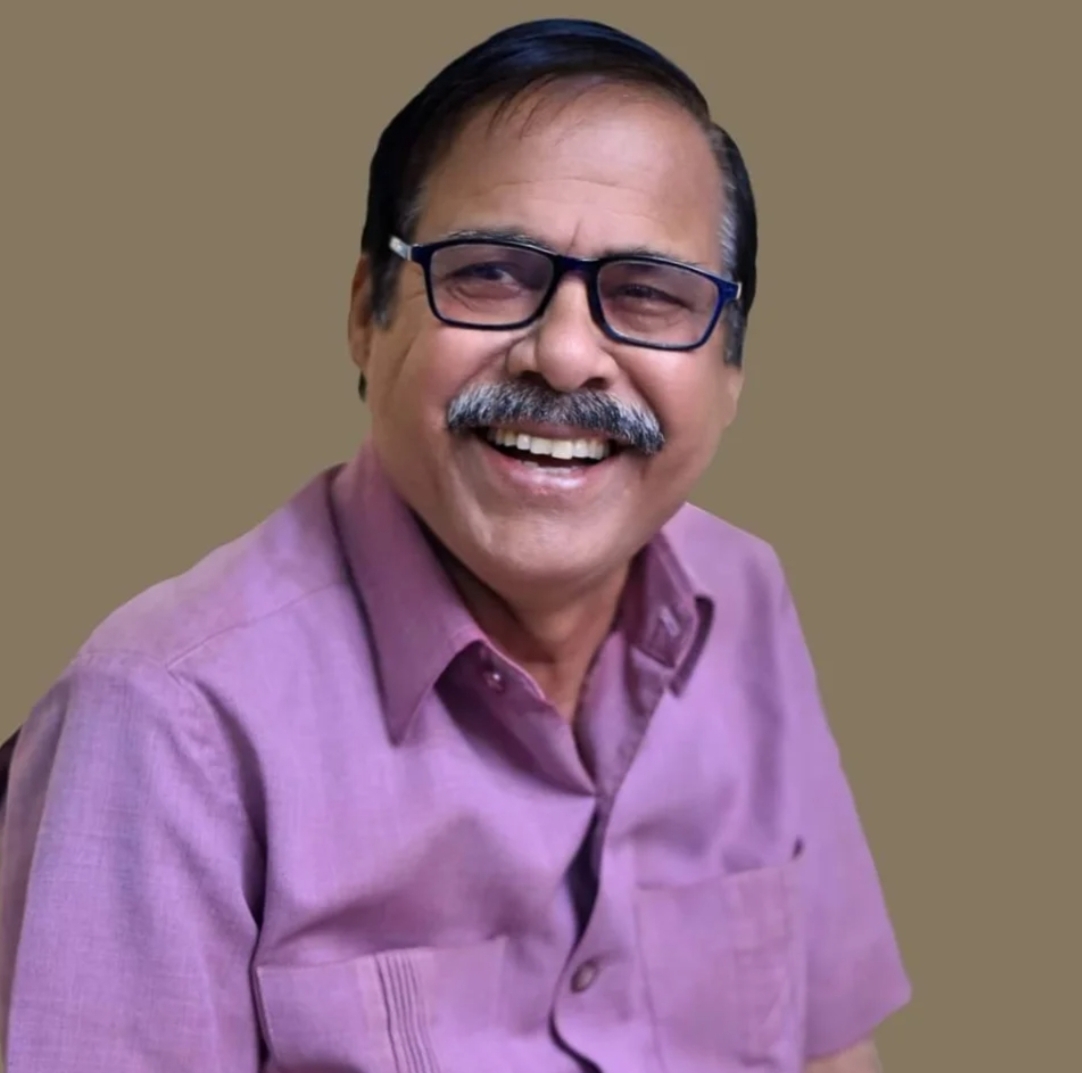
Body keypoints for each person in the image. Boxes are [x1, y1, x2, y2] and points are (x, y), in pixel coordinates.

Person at [0, 18, 910, 1073]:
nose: (564, 355)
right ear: (365, 315)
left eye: (648, 294)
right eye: (489, 273)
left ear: (731, 371)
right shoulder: (164, 722)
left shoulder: (745, 594)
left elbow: (832, 1046)